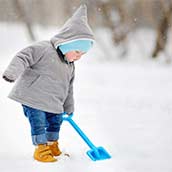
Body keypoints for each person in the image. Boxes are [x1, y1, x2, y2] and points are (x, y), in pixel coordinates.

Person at [2, 4, 94, 162]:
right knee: (38, 123)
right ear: (67, 44)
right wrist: (12, 73)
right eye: (77, 51)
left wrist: (68, 106)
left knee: (55, 122)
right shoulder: (44, 49)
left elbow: (68, 89)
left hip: (54, 102)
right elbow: (23, 57)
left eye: (83, 54)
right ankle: (41, 149)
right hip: (33, 98)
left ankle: (52, 145)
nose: (79, 56)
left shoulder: (70, 66)